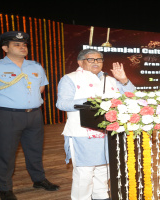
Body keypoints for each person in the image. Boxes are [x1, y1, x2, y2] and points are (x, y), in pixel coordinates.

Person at [0, 31, 59, 200]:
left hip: (34, 115)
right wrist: (1, 103)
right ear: (5, 48)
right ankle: (5, 188)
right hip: (7, 116)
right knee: (6, 153)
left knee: (35, 151)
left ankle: (39, 179)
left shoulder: (36, 66)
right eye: (17, 44)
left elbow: (40, 88)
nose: (22, 47)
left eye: (24, 44)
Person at [56, 49, 135, 200]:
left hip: (109, 132)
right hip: (83, 132)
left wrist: (124, 80)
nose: (96, 62)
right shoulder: (70, 78)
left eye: (99, 59)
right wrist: (92, 101)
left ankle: (101, 195)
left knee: (104, 168)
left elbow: (131, 97)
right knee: (85, 172)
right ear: (80, 62)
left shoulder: (110, 79)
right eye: (91, 59)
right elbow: (62, 103)